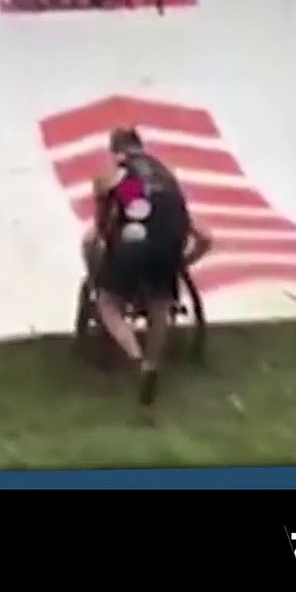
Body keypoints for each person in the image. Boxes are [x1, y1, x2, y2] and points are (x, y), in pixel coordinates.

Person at [81, 127, 212, 409]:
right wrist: (183, 263)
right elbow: (206, 237)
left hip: (132, 245)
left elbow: (102, 226)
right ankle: (152, 364)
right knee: (160, 304)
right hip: (168, 245)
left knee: (107, 302)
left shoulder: (116, 175)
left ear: (115, 153)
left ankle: (136, 357)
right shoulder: (166, 177)